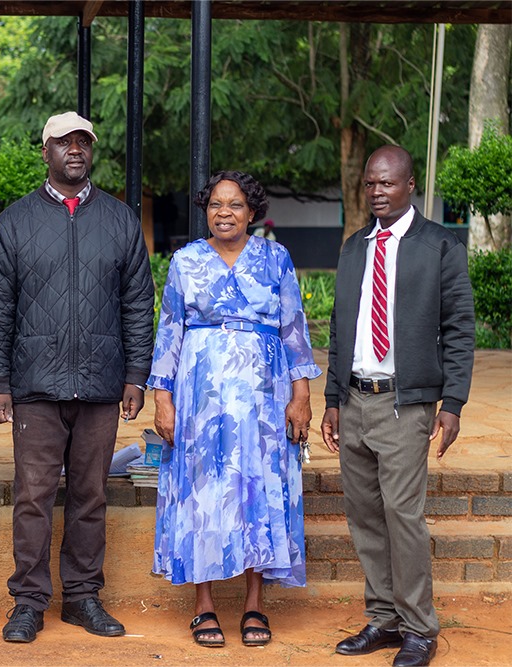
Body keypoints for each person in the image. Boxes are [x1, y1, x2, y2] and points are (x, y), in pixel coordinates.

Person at [0, 112, 155, 643]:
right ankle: (29, 602)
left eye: (83, 142)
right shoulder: (14, 221)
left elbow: (138, 303)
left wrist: (136, 374)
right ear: (45, 152)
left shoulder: (121, 219)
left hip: (102, 385)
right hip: (35, 385)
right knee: (33, 496)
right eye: (64, 142)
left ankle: (82, 597)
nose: (75, 150)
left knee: (90, 495)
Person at [148, 171, 320, 648]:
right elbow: (170, 331)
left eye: (235, 204)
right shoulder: (185, 260)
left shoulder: (276, 258)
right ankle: (203, 606)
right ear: (206, 210)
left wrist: (301, 395)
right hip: (199, 398)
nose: (224, 212)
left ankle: (254, 604)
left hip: (264, 398)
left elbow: (293, 330)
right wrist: (163, 398)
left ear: (252, 211)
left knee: (257, 489)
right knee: (202, 490)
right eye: (216, 204)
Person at [321, 145, 474, 667]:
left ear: (410, 185)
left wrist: (451, 403)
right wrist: (332, 399)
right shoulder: (354, 247)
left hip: (405, 405)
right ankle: (383, 619)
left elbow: (459, 328)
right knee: (364, 514)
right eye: (370, 184)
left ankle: (419, 628)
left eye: (387, 184)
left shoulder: (439, 246)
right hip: (355, 398)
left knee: (402, 514)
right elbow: (342, 327)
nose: (377, 192)